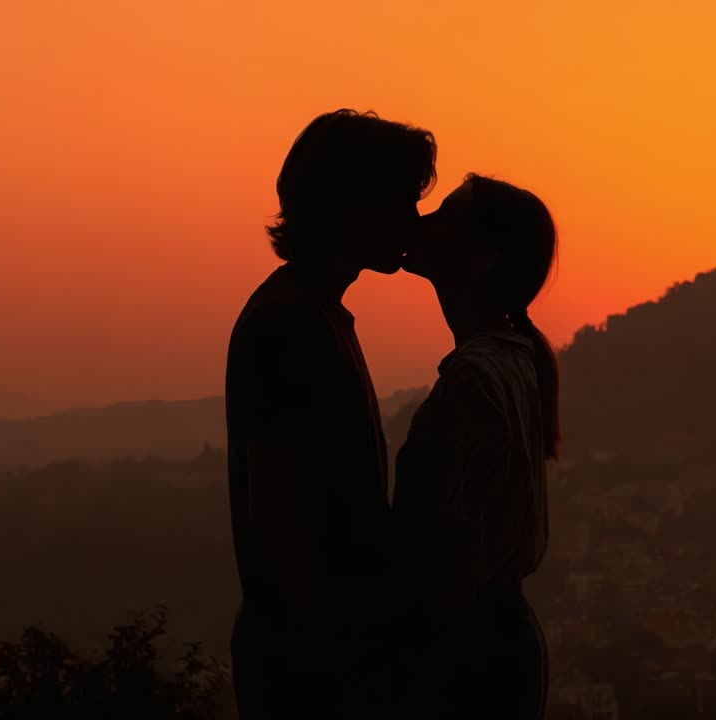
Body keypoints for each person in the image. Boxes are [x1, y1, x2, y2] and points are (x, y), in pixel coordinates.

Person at [224, 109, 435, 718]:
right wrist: (345, 666)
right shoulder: (292, 324)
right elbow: (283, 518)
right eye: (402, 202)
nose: (413, 221)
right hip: (311, 666)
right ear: (354, 206)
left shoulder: (313, 314)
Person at [393, 174, 559, 719]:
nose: (423, 222)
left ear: (483, 258)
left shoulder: (473, 377)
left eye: (445, 217)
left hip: (467, 656)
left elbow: (455, 542)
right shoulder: (512, 360)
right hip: (496, 643)